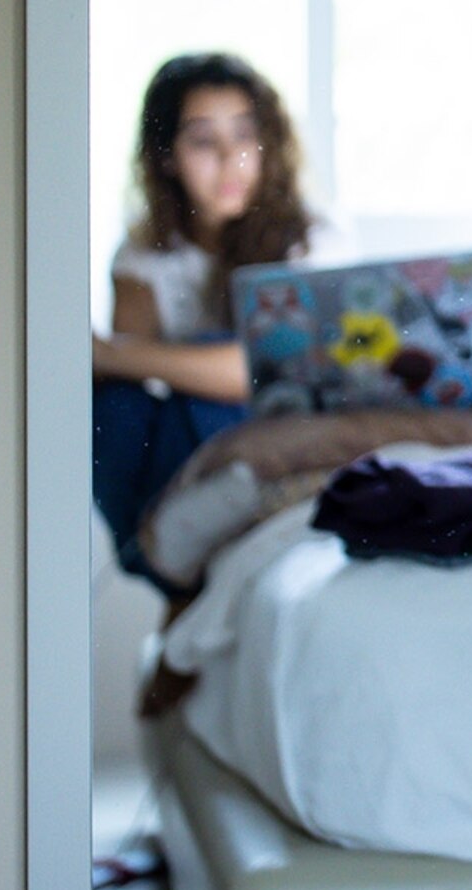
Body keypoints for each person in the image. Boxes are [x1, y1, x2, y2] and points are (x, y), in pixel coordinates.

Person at [91, 50, 323, 587]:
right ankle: (168, 568)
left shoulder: (310, 236)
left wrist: (113, 351)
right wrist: (124, 359)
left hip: (278, 435)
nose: (230, 157)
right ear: (168, 156)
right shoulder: (146, 249)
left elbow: (262, 370)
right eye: (202, 141)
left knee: (208, 366)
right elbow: (120, 376)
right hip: (186, 458)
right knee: (116, 405)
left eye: (245, 136)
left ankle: (179, 575)